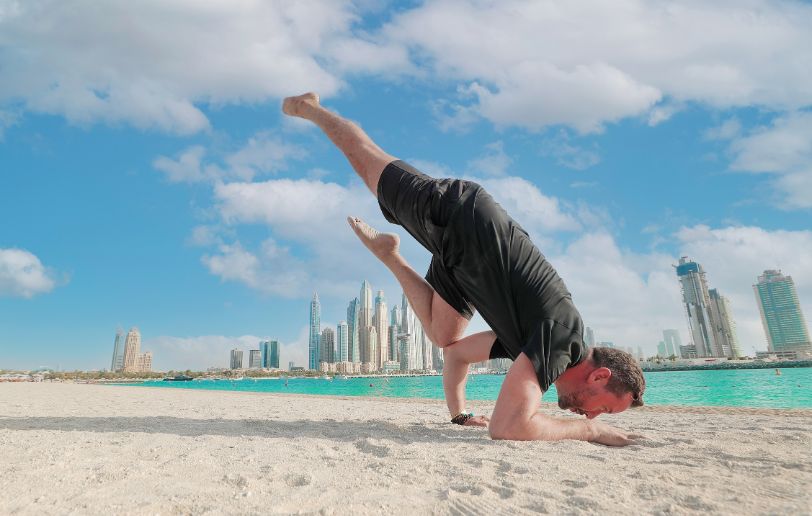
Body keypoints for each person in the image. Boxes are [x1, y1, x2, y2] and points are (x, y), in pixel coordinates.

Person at [282, 93, 645, 446]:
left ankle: (389, 255)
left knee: (444, 335)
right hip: (466, 220)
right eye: (604, 409)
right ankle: (311, 108)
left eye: (600, 419)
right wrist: (591, 433)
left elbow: (457, 354)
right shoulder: (563, 340)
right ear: (599, 376)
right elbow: (508, 426)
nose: (593, 416)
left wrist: (459, 415)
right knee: (366, 160)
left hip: (465, 264)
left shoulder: (539, 343)